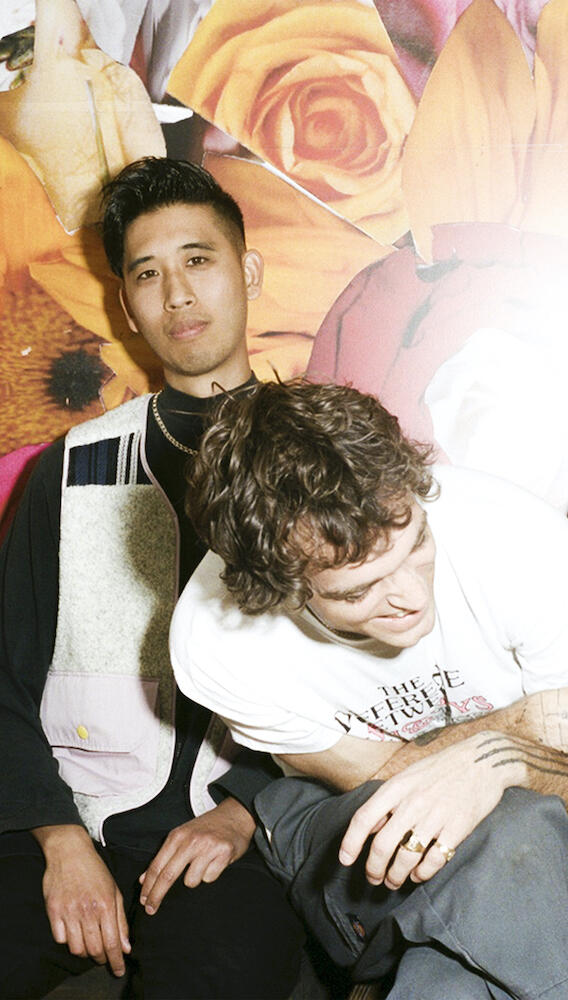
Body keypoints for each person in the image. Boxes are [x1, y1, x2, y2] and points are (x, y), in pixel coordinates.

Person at [170, 379, 568, 1000]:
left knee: (455, 975)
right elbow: (389, 781)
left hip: (539, 840)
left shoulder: (519, 539)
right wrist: (527, 726)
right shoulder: (216, 637)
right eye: (358, 590)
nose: (412, 597)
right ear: (278, 590)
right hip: (345, 828)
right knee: (513, 826)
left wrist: (501, 762)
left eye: (416, 543)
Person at [0, 157, 303, 997]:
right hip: (70, 821)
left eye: (198, 260)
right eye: (147, 273)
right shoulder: (72, 468)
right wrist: (60, 839)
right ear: (127, 307)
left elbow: (375, 679)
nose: (177, 294)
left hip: (233, 839)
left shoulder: (325, 461)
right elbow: (4, 678)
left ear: (249, 271)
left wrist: (243, 813)